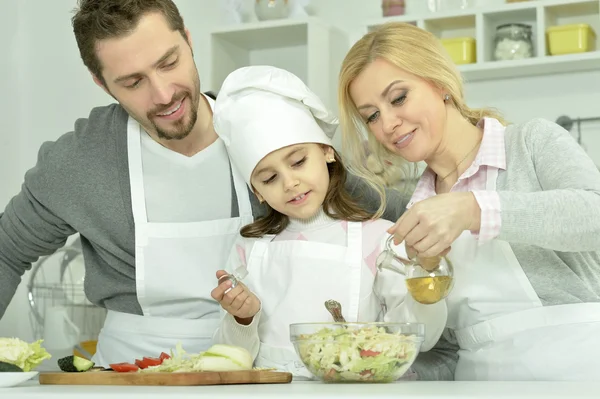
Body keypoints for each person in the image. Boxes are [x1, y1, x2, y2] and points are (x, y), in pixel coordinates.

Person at [0, 1, 406, 367]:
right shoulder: (81, 161)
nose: (163, 94)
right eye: (133, 81)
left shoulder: (265, 137)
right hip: (128, 375)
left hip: (254, 370)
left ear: (188, 41)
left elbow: (392, 213)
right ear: (101, 83)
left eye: (168, 62)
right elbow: (5, 252)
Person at [337, 21, 600, 381]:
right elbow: (446, 349)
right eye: (372, 115)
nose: (389, 124)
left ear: (440, 83)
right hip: (479, 382)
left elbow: (593, 215)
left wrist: (474, 208)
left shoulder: (531, 143)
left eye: (398, 98)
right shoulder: (418, 210)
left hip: (579, 371)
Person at [208, 65, 447, 381]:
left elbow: (422, 336)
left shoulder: (378, 239)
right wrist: (242, 318)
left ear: (326, 152)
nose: (291, 183)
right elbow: (230, 356)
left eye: (298, 161)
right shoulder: (248, 250)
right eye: (269, 178)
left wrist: (426, 274)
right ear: (258, 192)